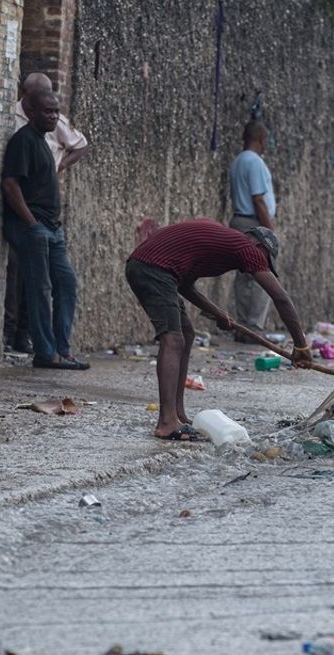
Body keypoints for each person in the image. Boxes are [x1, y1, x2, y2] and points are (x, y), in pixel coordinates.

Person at [126, 219, 313, 440]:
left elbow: (185, 286)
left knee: (186, 334)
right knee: (173, 339)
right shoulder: (246, 247)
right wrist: (301, 345)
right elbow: (280, 298)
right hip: (153, 268)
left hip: (150, 267)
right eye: (264, 261)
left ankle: (177, 414)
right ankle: (167, 423)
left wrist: (218, 314)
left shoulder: (227, 247)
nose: (259, 267)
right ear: (259, 246)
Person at [3, 73, 90, 354]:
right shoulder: (24, 139)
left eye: (56, 112)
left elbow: (79, 145)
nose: (54, 117)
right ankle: (43, 351)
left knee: (65, 284)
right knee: (37, 289)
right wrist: (32, 223)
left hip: (53, 228)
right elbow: (10, 183)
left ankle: (61, 349)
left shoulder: (45, 140)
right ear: (30, 109)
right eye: (48, 111)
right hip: (36, 226)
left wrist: (59, 166)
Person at [227, 120, 278, 341]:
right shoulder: (254, 162)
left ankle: (243, 327)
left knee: (244, 277)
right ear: (260, 139)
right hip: (253, 223)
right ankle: (254, 328)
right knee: (263, 274)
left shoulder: (237, 161)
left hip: (239, 221)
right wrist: (269, 230)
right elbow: (258, 199)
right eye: (266, 140)